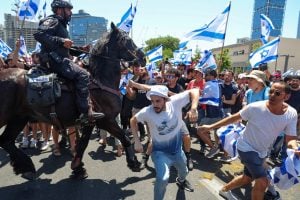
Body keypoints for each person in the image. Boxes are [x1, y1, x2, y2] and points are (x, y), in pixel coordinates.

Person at [198, 81, 299, 200]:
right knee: (262, 182)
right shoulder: (255, 107)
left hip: (262, 151)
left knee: (247, 178)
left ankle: (224, 190)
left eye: (277, 93)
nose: (272, 95)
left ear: (286, 96)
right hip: (246, 147)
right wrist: (210, 127)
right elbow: (234, 118)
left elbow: (291, 139)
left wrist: (295, 148)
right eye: (270, 91)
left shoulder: (291, 114)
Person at [33, 0, 103, 123]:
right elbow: (39, 34)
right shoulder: (53, 20)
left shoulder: (61, 24)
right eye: (68, 10)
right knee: (83, 75)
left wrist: (82, 49)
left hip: (59, 59)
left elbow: (65, 48)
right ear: (60, 9)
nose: (71, 12)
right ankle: (85, 112)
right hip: (55, 61)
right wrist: (61, 41)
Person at [130, 85, 199, 200]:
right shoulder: (148, 111)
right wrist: (137, 141)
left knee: (184, 171)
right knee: (162, 179)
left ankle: (181, 181)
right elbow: (133, 120)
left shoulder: (175, 102)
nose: (155, 104)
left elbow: (195, 90)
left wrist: (193, 108)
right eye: (152, 101)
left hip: (177, 151)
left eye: (158, 101)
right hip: (159, 153)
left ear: (166, 99)